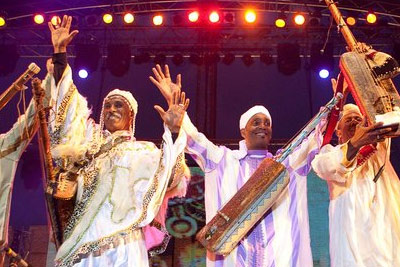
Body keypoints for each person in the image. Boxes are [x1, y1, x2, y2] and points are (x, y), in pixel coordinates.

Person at [45, 15, 190, 267]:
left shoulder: (141, 151)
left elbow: (172, 175)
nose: (111, 109)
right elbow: (67, 116)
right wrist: (60, 56)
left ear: (130, 116)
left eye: (119, 105)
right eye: (108, 105)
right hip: (83, 245)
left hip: (124, 245)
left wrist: (174, 131)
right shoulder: (88, 147)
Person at [150, 64, 328, 267]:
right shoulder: (223, 161)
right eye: (256, 122)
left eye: (267, 123)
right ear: (243, 131)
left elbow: (315, 138)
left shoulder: (286, 164)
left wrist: (335, 106)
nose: (263, 126)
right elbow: (194, 138)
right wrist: (180, 116)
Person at [311, 103, 400, 266]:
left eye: (358, 118)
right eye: (348, 119)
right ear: (338, 131)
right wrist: (355, 144)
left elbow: (392, 115)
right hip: (353, 247)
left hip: (387, 245)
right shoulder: (329, 153)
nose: (354, 122)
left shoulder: (379, 148)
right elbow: (323, 167)